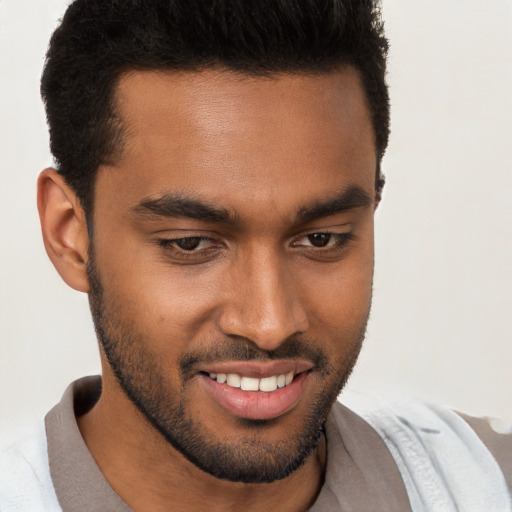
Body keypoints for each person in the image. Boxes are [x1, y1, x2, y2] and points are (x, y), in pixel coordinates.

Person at [0, 0, 510, 510]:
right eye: (191, 244)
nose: (270, 324)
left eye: (321, 239)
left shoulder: (484, 484)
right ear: (70, 233)